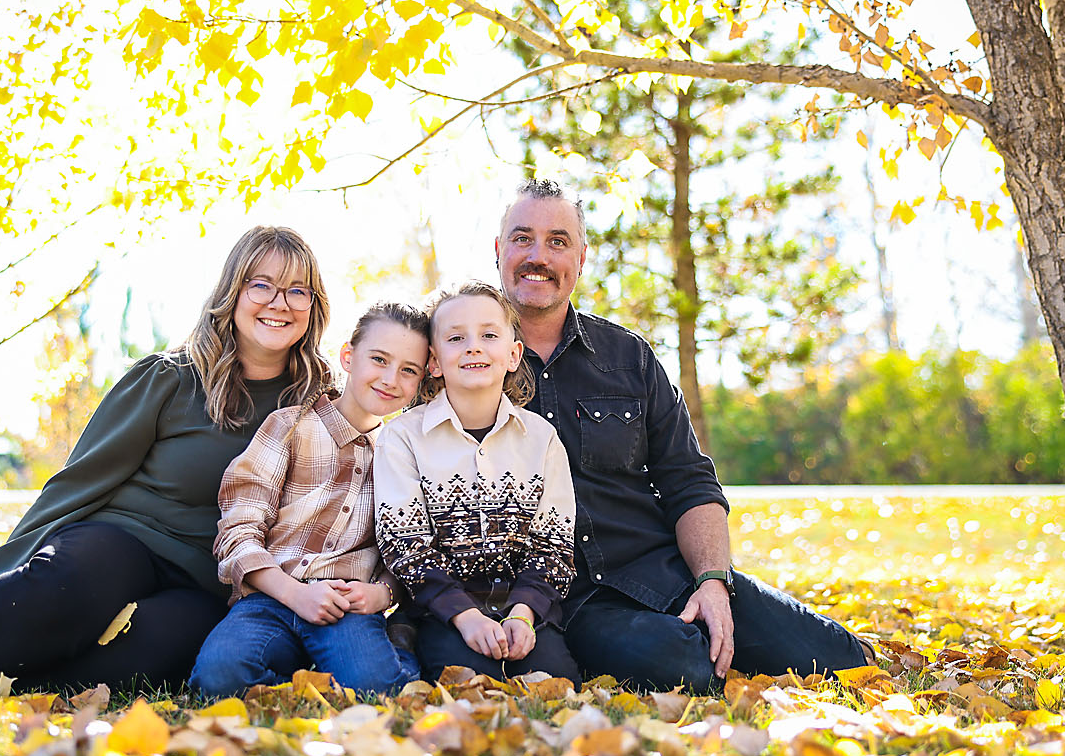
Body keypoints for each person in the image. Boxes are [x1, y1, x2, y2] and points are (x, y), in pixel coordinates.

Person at [0, 226, 333, 691]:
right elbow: (77, 482)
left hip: (206, 581)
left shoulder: (322, 403)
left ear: (313, 305)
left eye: (297, 290)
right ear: (232, 293)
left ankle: (5, 682)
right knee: (67, 593)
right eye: (261, 285)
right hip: (121, 542)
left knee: (155, 656)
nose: (279, 303)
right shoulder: (170, 378)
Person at [494, 178, 869, 691]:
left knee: (841, 658)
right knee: (684, 666)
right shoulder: (464, 360)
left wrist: (713, 581)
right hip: (572, 602)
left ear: (580, 259)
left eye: (557, 241)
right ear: (499, 249)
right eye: (522, 238)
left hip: (664, 570)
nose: (538, 256)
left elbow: (689, 480)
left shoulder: (628, 358)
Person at [188, 302, 430, 696]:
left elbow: (406, 548)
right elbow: (238, 530)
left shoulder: (402, 456)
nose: (390, 379)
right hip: (271, 597)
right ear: (348, 357)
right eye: (379, 359)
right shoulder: (289, 427)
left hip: (346, 605)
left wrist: (382, 593)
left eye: (408, 370)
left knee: (375, 689)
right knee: (219, 679)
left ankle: (394, 648)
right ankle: (303, 671)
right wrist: (296, 594)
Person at [373, 281, 580, 683]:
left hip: (523, 608)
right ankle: (412, 640)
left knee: (552, 679)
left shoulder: (540, 438)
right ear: (435, 362)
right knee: (468, 678)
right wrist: (465, 615)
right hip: (441, 611)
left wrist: (524, 613)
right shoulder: (403, 437)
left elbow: (554, 544)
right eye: (456, 338)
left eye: (488, 335)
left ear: (513, 354)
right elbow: (405, 544)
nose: (473, 347)